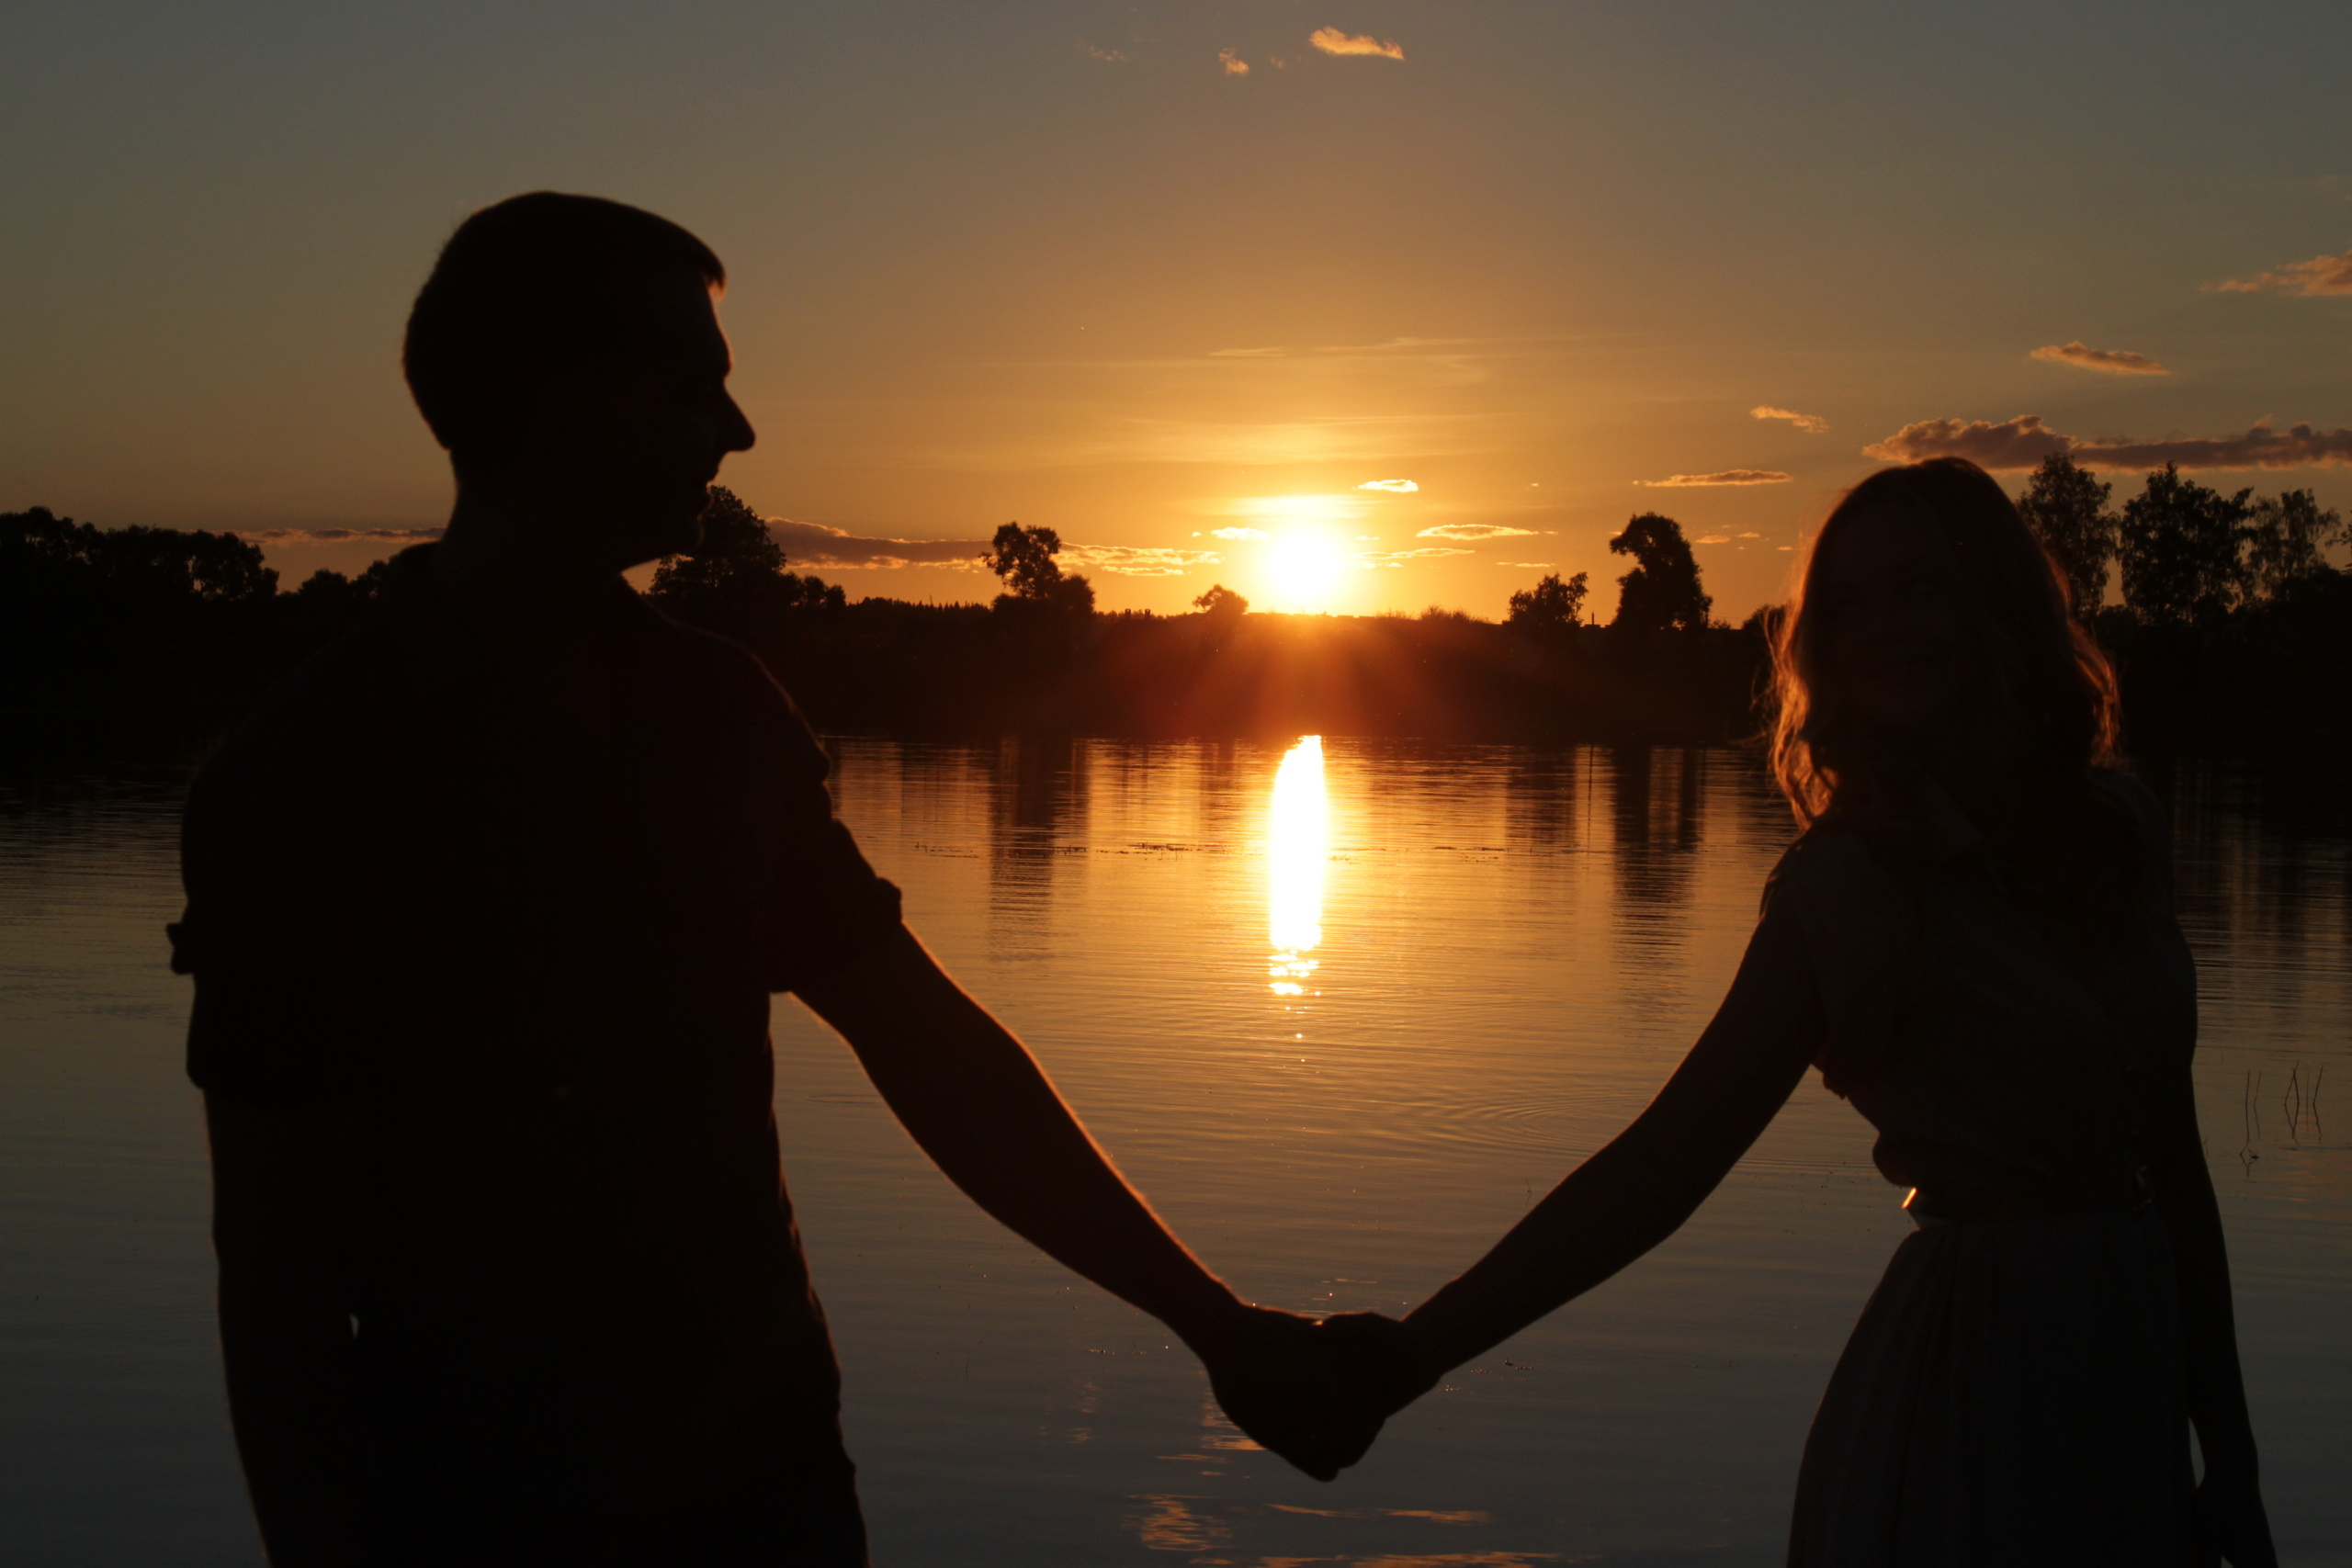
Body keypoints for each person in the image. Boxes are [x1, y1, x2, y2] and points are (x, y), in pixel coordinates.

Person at [171, 192, 1381, 1567]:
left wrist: (1214, 1323)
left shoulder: (720, 720)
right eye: (697, 392)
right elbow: (276, 1283)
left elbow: (936, 1058)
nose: (735, 436)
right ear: (565, 404)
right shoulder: (311, 775)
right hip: (471, 1516)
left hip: (768, 1504)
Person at [1334, 458, 2278, 1565]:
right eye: (1848, 605)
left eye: (1920, 587)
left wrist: (2237, 1460)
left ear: (1997, 597)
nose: (1882, 628)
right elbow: (1663, 1165)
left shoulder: (2118, 827)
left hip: (2125, 1379)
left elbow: (2173, 1164)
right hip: (1966, 1390)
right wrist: (1411, 1357)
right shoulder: (1849, 889)